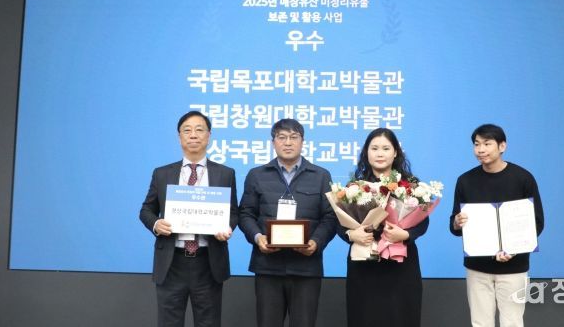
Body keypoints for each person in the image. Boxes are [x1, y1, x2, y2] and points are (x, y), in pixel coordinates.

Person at [139, 111, 238, 327]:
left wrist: (227, 227)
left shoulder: (225, 173)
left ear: (209, 136)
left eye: (199, 129)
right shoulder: (162, 173)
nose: (193, 135)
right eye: (187, 130)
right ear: (179, 137)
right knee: (169, 323)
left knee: (209, 323)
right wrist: (156, 224)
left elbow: (233, 212)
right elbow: (146, 210)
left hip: (208, 261)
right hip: (171, 262)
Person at [238, 119, 337, 327]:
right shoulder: (257, 175)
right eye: (281, 137)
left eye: (294, 137)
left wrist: (316, 242)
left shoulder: (321, 176)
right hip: (267, 267)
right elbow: (245, 214)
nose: (288, 142)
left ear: (302, 141)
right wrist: (258, 238)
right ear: (273, 142)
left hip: (306, 268)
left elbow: (330, 217)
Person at [449, 124, 544, 327]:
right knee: (480, 322)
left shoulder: (523, 178)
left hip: (514, 267)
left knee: (512, 322)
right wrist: (457, 222)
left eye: (487, 144)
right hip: (477, 267)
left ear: (502, 146)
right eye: (476, 144)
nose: (480, 149)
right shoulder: (465, 181)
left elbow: (537, 222)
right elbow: (454, 226)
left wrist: (514, 250)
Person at [338, 128, 429, 327]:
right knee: (365, 318)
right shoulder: (354, 187)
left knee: (401, 318)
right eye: (374, 148)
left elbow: (423, 221)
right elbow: (339, 222)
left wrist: (405, 234)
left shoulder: (411, 186)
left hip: (401, 266)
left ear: (395, 152)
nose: (380, 154)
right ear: (366, 152)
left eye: (386, 148)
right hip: (364, 266)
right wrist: (351, 234)